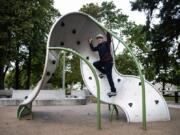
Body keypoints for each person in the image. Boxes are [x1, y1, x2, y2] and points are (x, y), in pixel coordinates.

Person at [88, 32, 117, 97]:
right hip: (103, 62)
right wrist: (90, 43)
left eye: (100, 38)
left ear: (102, 39)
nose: (99, 40)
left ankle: (113, 91)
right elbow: (93, 49)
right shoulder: (98, 46)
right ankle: (104, 72)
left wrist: (108, 33)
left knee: (109, 77)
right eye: (98, 39)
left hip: (108, 62)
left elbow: (109, 40)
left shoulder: (106, 43)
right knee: (95, 64)